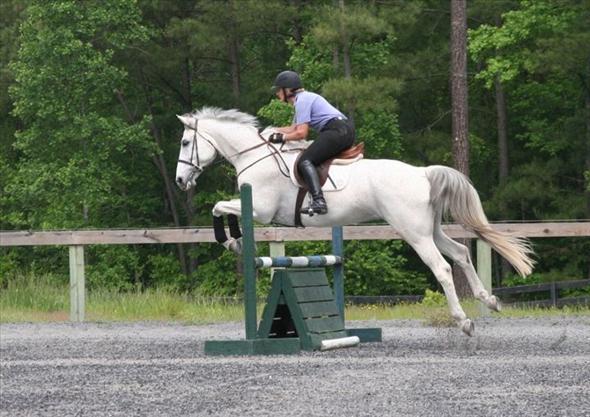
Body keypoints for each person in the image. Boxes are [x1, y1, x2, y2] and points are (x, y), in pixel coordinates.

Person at [269, 70, 354, 215]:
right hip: (343, 130)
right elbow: (293, 128)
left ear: (287, 90)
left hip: (336, 131)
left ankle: (318, 201)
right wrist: (270, 130)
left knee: (305, 161)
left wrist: (281, 138)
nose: (277, 94)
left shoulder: (302, 101)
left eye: (278, 90)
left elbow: (301, 133)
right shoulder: (304, 99)